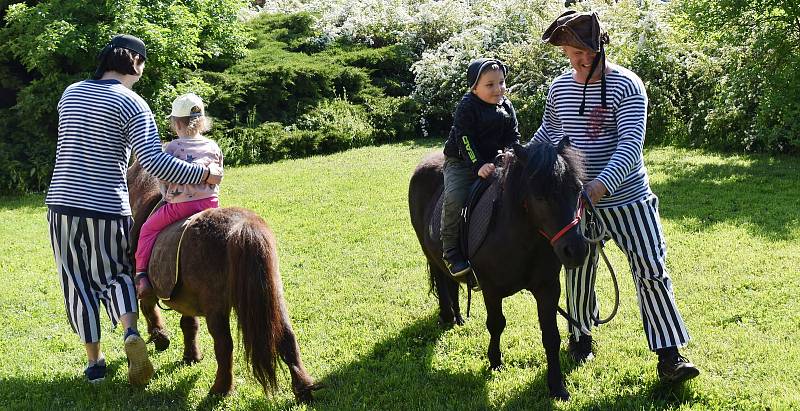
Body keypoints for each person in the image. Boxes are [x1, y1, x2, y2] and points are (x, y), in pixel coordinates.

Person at [531, 10, 700, 383]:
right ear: (563, 49)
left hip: (628, 198)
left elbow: (629, 147)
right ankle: (580, 338)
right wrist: (518, 158)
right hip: (578, 203)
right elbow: (549, 132)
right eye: (574, 52)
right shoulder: (559, 87)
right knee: (578, 272)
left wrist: (597, 187)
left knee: (651, 270)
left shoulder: (627, 85)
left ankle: (669, 355)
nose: (582, 58)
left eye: (587, 50)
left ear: (601, 44)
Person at [45, 35, 223, 385]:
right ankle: (130, 332)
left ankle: (95, 364)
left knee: (76, 281)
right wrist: (204, 174)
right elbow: (155, 162)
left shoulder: (71, 92)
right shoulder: (133, 104)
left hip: (62, 203)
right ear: (135, 63)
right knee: (117, 274)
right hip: (108, 205)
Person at [134, 93, 223, 300]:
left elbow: (163, 178)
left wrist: (166, 194)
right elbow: (218, 175)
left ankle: (141, 275)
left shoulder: (172, 148)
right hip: (210, 205)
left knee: (147, 229)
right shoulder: (213, 146)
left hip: (180, 207)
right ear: (202, 121)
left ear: (176, 124)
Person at [441, 58, 521, 279]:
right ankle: (451, 251)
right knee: (455, 197)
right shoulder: (467, 106)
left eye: (502, 82)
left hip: (492, 160)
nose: (498, 89)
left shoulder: (506, 105)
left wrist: (510, 152)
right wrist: (477, 165)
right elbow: (464, 138)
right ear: (474, 88)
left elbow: (513, 135)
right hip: (462, 161)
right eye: (490, 85)